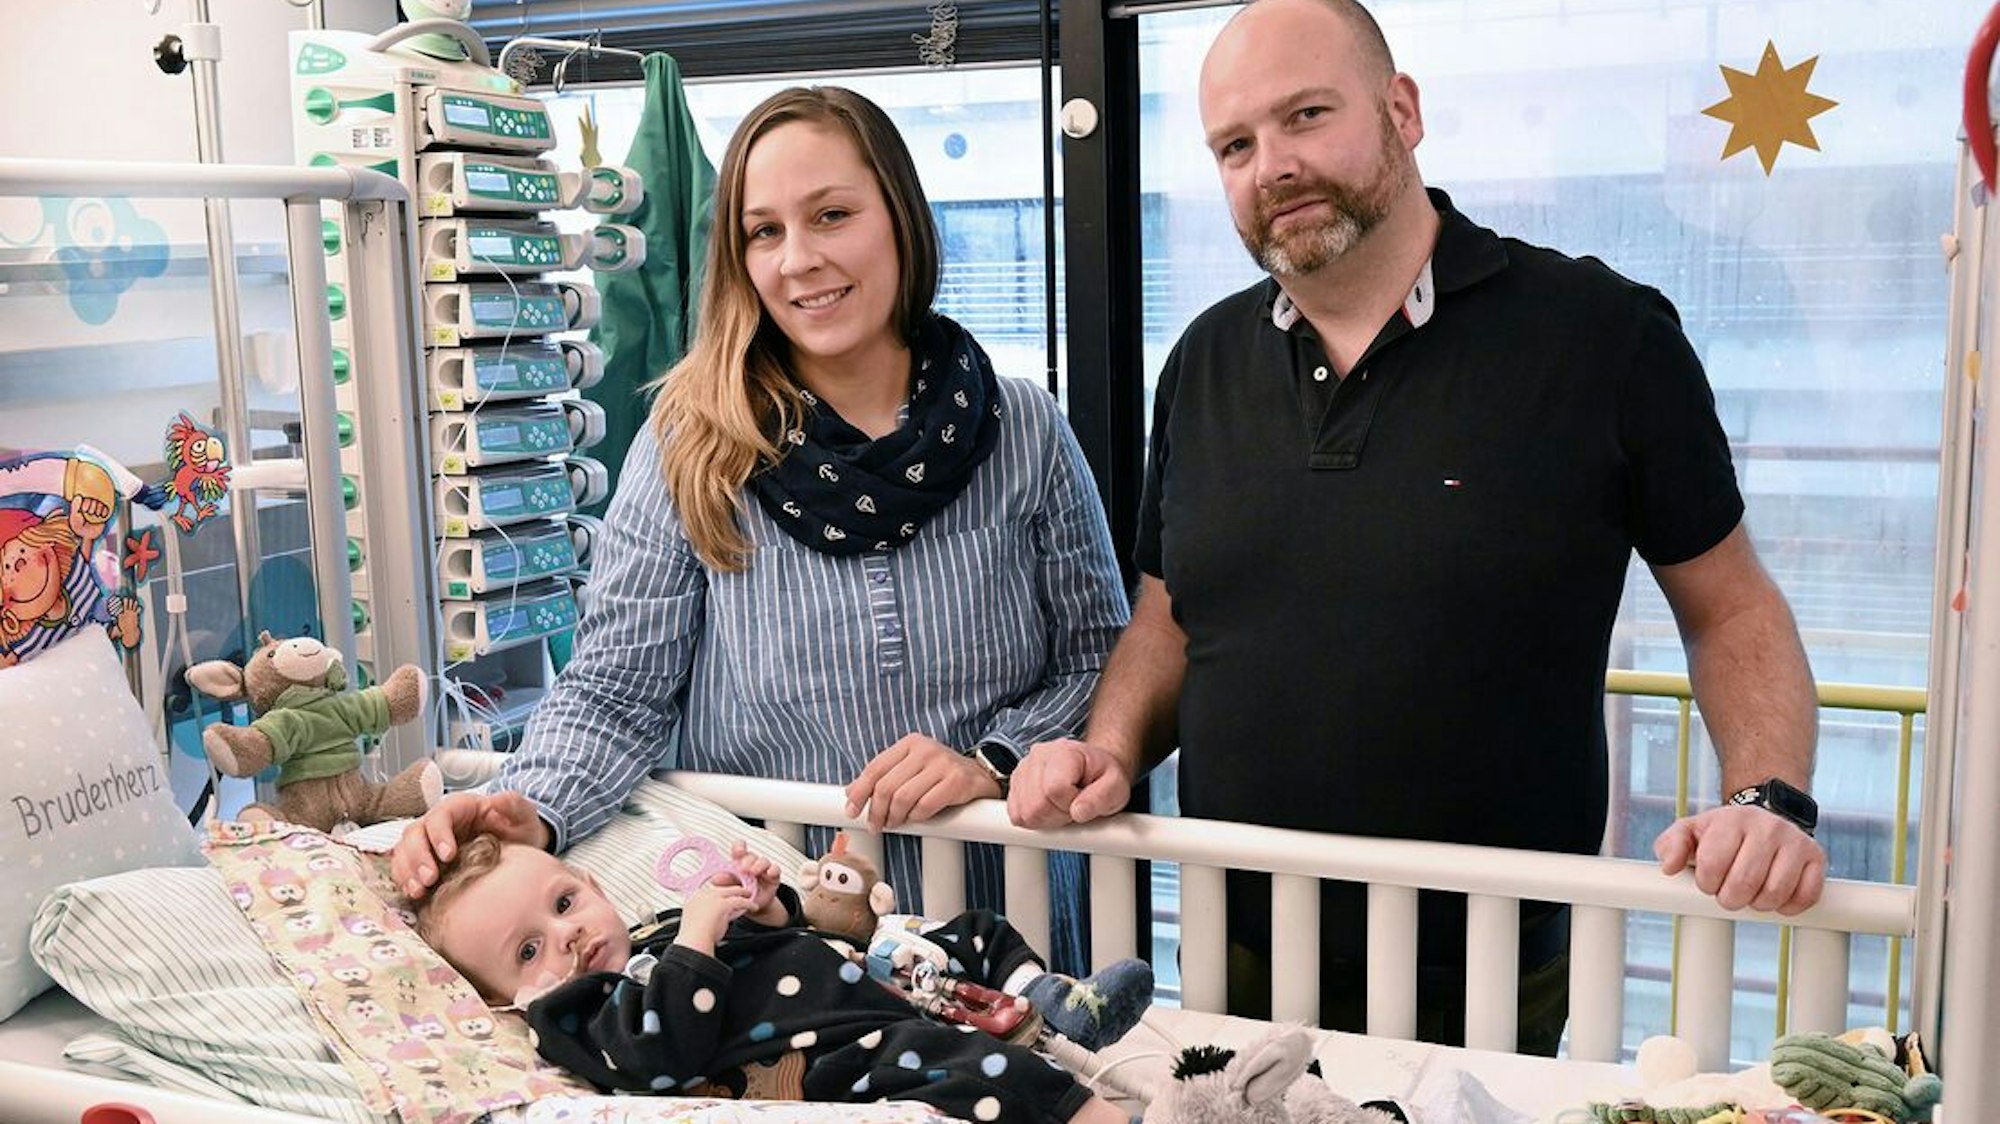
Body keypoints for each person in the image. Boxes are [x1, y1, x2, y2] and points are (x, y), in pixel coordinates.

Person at [1007, 0, 1826, 1054]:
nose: (1273, 165)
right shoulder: (1202, 361)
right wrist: (1110, 746)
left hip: (1485, 961)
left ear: (1402, 109)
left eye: (1306, 115)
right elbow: (1168, 616)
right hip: (1231, 945)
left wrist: (1766, 799)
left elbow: (1731, 609)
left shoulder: (1603, 336)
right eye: (1235, 146)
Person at [391, 86, 1129, 971]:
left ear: (900, 217)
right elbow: (616, 691)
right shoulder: (690, 445)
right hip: (777, 935)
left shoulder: (1024, 430)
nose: (800, 260)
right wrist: (534, 807)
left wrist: (993, 761)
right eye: (764, 232)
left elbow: (1101, 662)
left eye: (832, 215)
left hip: (1007, 907)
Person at [413, 835, 1145, 1124]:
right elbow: (658, 1055)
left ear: (593, 886)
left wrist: (767, 907)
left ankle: (1057, 1003)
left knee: (972, 932)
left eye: (565, 903)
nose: (567, 936)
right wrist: (698, 937)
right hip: (832, 1058)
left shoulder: (657, 931)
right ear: (501, 997)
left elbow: (785, 939)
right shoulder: (581, 1014)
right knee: (974, 1068)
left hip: (875, 985)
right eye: (529, 950)